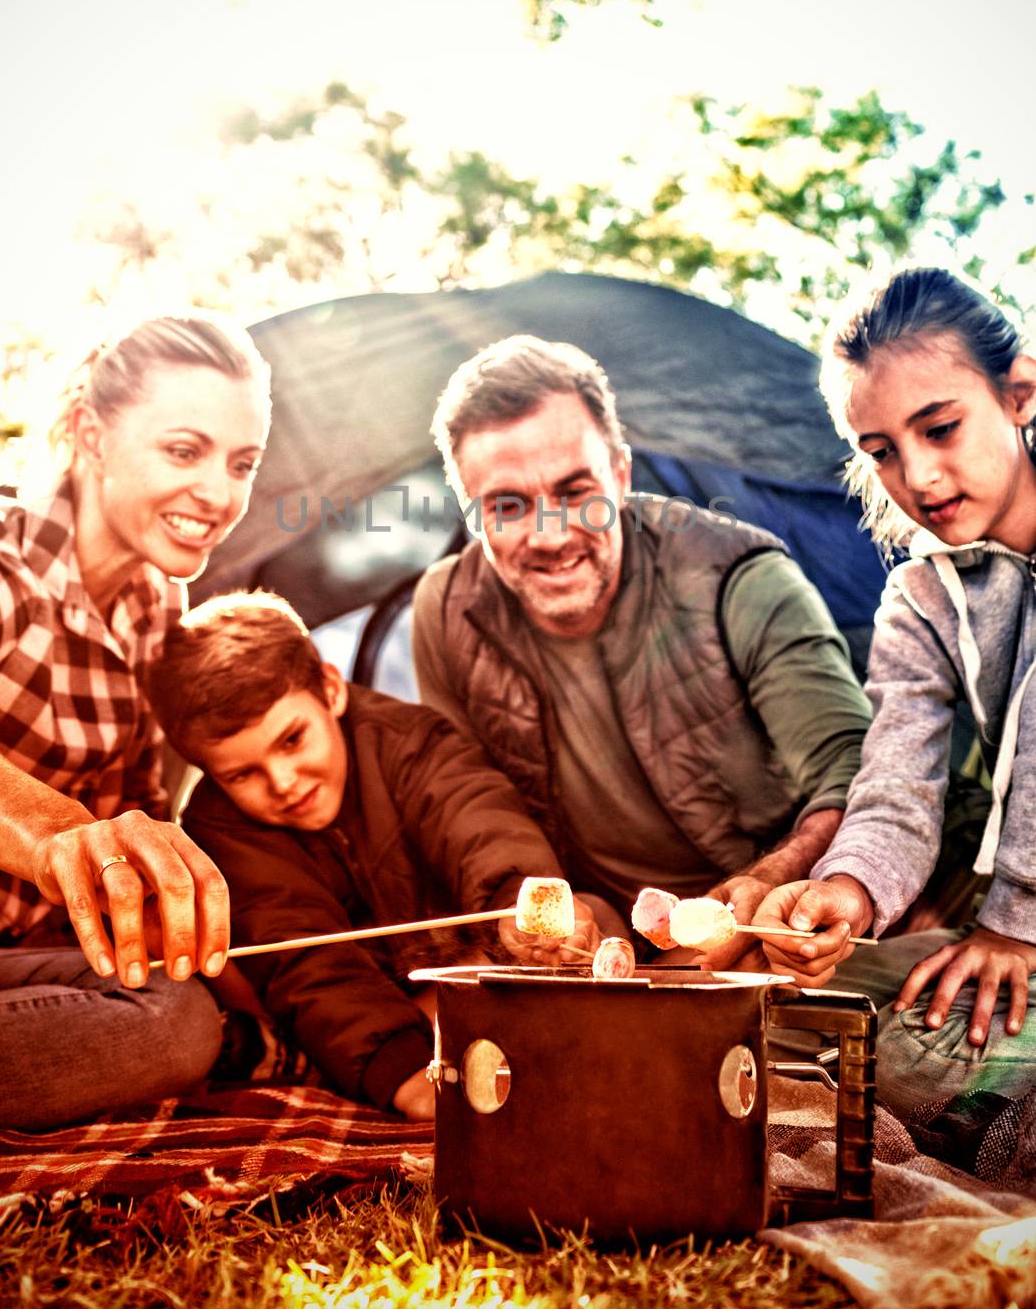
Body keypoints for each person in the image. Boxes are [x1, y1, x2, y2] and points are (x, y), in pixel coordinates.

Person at [411, 335, 874, 963]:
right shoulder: (446, 609)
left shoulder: (741, 577)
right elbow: (463, 797)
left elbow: (855, 771)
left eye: (576, 492)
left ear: (621, 475)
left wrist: (773, 883)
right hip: (603, 942)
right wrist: (530, 898)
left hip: (773, 925)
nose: (550, 535)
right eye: (508, 506)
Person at [0, 313, 271, 1130]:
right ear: (91, 437)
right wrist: (57, 836)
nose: (218, 493)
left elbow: (135, 825)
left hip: (15, 962)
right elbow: (81, 836)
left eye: (241, 463)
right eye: (184, 450)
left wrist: (261, 987)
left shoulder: (154, 607)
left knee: (178, 1017)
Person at [754, 267, 1036, 1125]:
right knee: (776, 1017)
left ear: (1019, 392)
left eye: (940, 427)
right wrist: (847, 891)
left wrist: (1017, 919)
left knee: (932, 1052)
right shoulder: (919, 594)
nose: (915, 475)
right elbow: (895, 782)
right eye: (878, 450)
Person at [149, 589, 592, 1121]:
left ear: (331, 691)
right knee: (242, 973)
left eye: (292, 740)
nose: (283, 783)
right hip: (367, 1012)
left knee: (593, 921)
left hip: (481, 968)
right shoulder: (218, 827)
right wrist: (404, 1074)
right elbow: (304, 962)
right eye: (242, 774)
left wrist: (519, 902)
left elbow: (481, 823)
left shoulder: (409, 741)